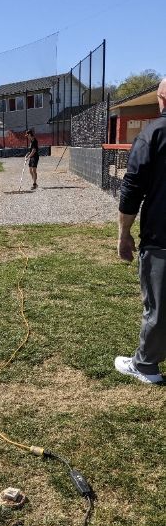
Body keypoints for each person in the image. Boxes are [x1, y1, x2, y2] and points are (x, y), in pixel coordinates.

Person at [115, 77, 166, 385]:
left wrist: (124, 233)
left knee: (158, 305)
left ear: (161, 98)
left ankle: (145, 365)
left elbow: (132, 188)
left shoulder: (153, 134)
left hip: (162, 237)